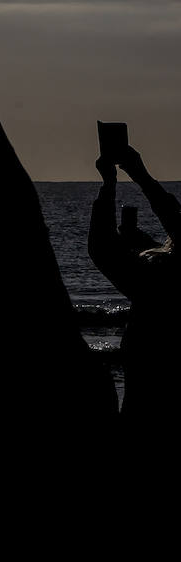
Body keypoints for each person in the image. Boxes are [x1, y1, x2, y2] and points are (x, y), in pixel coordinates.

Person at [88, 144, 181, 434]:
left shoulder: (154, 284)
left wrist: (110, 184)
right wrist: (140, 175)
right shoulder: (157, 278)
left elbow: (102, 249)